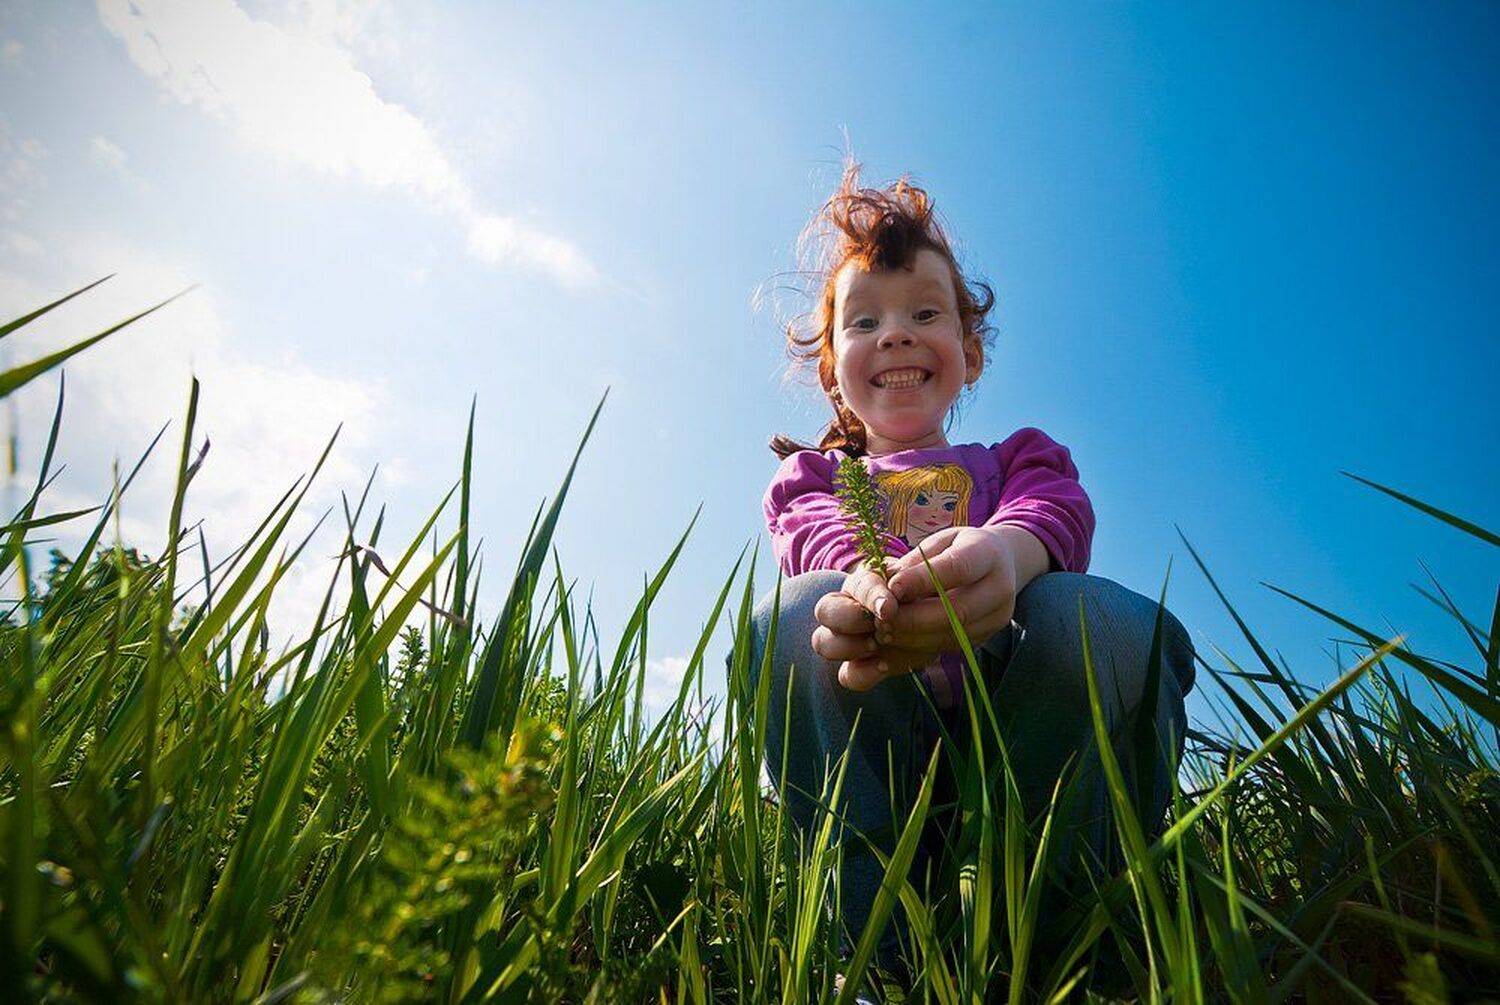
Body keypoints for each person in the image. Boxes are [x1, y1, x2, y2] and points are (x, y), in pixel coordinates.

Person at [740, 159, 1197, 980]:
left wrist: (1006, 555)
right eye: (864, 320)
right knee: (792, 614)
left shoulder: (1018, 457)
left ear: (970, 353)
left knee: (1105, 617)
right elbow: (815, 541)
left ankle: (1072, 941)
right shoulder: (810, 477)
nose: (896, 333)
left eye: (926, 312)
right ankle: (873, 953)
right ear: (833, 373)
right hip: (881, 749)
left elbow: (1056, 511)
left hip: (1026, 744)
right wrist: (866, 588)